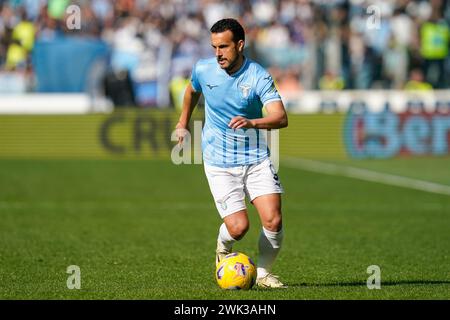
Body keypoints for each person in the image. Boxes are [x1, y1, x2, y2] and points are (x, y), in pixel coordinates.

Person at [175, 18, 288, 288]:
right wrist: (182, 123)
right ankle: (222, 248)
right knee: (239, 228)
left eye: (223, 47)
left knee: (273, 219)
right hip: (219, 161)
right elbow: (191, 91)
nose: (218, 53)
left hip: (255, 157)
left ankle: (262, 274)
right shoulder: (204, 69)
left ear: (240, 44)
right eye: (214, 46)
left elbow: (280, 117)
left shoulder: (258, 75)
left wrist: (253, 122)